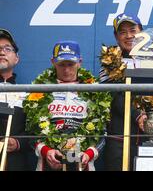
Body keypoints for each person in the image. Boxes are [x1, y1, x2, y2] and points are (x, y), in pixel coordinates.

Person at [23, 41, 110, 171]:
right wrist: (46, 151)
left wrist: (89, 154)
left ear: (80, 62)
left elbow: (102, 133)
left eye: (71, 64)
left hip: (83, 163)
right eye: (62, 64)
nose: (66, 69)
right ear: (53, 62)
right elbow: (31, 131)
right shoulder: (39, 90)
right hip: (47, 165)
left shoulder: (94, 91)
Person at [99, 13, 146, 171]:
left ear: (142, 32)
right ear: (116, 36)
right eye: (122, 32)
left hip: (149, 134)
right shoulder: (109, 60)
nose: (129, 36)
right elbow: (113, 95)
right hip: (119, 137)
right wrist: (137, 114)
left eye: (133, 30)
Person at [0, 29, 29, 171]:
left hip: (16, 163)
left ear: (16, 58)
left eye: (7, 48)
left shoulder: (28, 94)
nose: (2, 52)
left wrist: (18, 143)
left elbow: (35, 133)